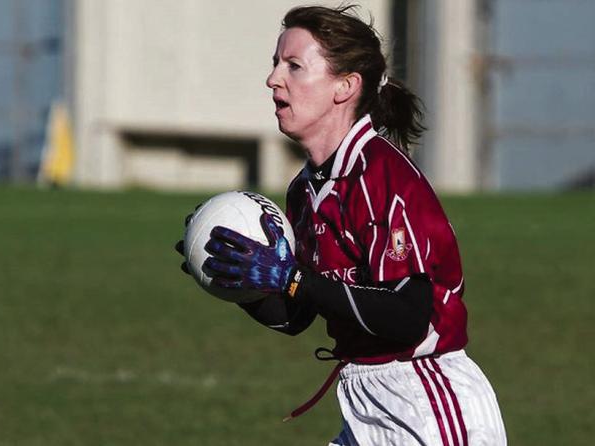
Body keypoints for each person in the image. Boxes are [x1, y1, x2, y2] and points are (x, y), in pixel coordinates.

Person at [176, 5, 506, 445]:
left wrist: (294, 279)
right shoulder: (305, 191)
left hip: (427, 401)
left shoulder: (382, 178)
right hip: (367, 402)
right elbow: (295, 314)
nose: (274, 79)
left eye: (294, 66)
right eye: (276, 64)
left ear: (345, 87)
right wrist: (236, 279)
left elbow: (408, 316)